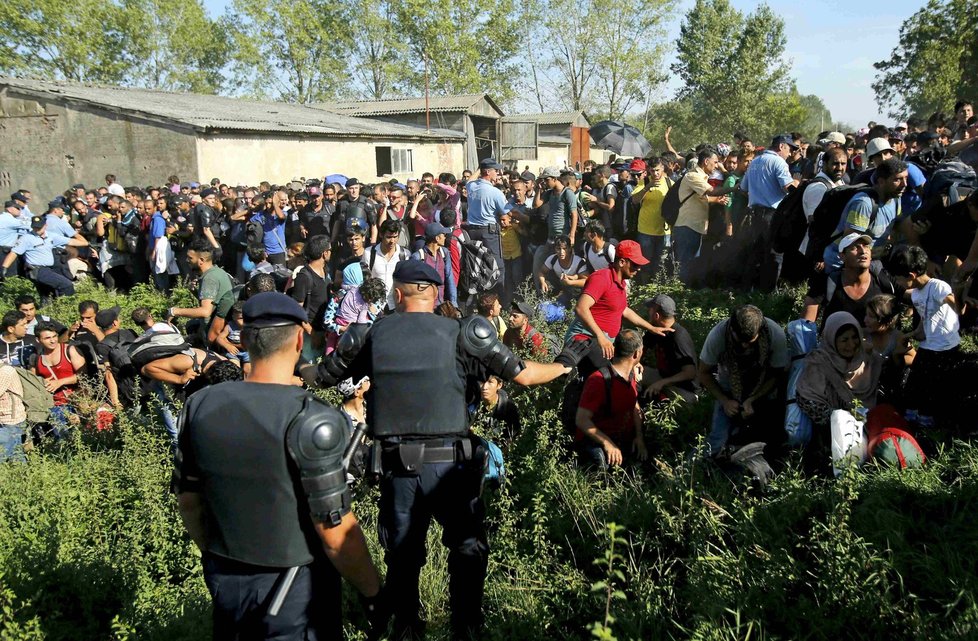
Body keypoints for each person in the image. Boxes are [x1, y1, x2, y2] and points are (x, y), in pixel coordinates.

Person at [304, 260, 588, 640]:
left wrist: (290, 361)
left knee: (402, 558)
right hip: (452, 467)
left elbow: (323, 376)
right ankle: (466, 630)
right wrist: (564, 364)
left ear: (398, 293)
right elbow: (524, 374)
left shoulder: (373, 334)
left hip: (397, 469)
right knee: (468, 551)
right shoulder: (465, 332)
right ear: (435, 293)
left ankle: (407, 628)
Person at [174, 292, 386, 640]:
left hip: (226, 579)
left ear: (243, 339)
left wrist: (218, 561)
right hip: (294, 592)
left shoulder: (198, 405)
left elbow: (189, 501)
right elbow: (334, 534)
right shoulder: (312, 418)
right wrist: (373, 592)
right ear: (299, 339)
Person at [795, 312, 884, 472]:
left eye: (854, 337)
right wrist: (840, 420)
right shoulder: (819, 362)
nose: (851, 345)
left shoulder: (869, 359)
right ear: (831, 340)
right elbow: (808, 399)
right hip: (829, 437)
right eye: (844, 340)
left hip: (871, 431)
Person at [697, 305, 789, 457]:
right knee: (717, 442)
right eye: (740, 341)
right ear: (731, 330)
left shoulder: (775, 334)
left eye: (751, 341)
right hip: (728, 387)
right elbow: (703, 373)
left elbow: (777, 374)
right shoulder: (717, 336)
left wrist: (752, 399)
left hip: (764, 386)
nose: (745, 346)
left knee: (770, 441)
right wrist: (725, 401)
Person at [887, 245, 960, 428]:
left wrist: (959, 299)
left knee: (932, 388)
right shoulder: (918, 295)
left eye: (899, 278)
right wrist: (911, 334)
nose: (899, 283)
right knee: (915, 383)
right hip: (928, 345)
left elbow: (953, 303)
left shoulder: (937, 286)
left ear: (911, 276)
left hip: (944, 348)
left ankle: (928, 423)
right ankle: (911, 419)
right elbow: (925, 321)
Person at [575, 328, 648, 469]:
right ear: (637, 354)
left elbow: (635, 406)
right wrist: (607, 443)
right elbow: (582, 419)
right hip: (597, 442)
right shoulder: (599, 380)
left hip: (621, 439)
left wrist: (639, 437)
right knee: (601, 463)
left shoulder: (630, 375)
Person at [822, 158, 908, 275]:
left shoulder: (896, 199)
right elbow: (851, 245)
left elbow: (898, 225)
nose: (904, 184)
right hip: (842, 266)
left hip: (868, 262)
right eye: (897, 180)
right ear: (881, 181)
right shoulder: (863, 204)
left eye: (906, 178)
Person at [738, 135, 800, 289]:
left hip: (755, 214)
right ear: (781, 146)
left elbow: (743, 188)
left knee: (756, 253)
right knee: (774, 254)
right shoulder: (778, 161)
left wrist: (759, 193)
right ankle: (768, 293)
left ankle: (747, 290)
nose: (790, 153)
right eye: (789, 149)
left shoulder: (754, 162)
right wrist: (797, 183)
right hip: (772, 215)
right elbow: (788, 188)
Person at [802, 233, 898, 327]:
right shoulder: (829, 281)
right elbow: (805, 325)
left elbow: (908, 294)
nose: (863, 251)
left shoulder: (882, 278)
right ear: (842, 256)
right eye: (854, 248)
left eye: (866, 246)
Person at [673, 149, 731, 284]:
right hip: (687, 226)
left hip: (696, 227)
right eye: (715, 162)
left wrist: (716, 201)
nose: (717, 165)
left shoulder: (702, 177)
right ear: (706, 161)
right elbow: (713, 191)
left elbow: (701, 199)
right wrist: (735, 186)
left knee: (692, 264)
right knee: (686, 265)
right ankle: (681, 294)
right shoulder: (693, 176)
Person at [170, 239, 235, 344]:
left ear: (201, 260)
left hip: (214, 334)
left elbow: (205, 312)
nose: (187, 260)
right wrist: (195, 292)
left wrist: (175, 311)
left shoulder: (209, 278)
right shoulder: (218, 271)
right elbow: (214, 302)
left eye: (190, 258)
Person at [640, 294, 698, 405]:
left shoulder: (678, 336)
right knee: (632, 372)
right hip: (663, 377)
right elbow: (639, 349)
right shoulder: (656, 330)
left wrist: (662, 383)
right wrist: (636, 363)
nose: (648, 312)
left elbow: (690, 373)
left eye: (650, 309)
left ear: (656, 315)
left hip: (685, 391)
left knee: (684, 405)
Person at [463, 158, 509, 296]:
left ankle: (478, 297)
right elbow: (507, 211)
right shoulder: (495, 192)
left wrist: (480, 168)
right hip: (489, 233)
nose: (498, 173)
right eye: (495, 171)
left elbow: (470, 180)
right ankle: (496, 299)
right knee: (496, 266)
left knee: (476, 265)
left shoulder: (472, 187)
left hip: (472, 232)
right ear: (488, 172)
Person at [33, 320, 86, 431]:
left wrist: (60, 382)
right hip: (54, 406)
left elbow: (83, 376)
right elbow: (33, 382)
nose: (53, 341)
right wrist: (42, 383)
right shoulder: (37, 358)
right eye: (47, 338)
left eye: (54, 336)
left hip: (77, 402)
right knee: (62, 438)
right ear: (38, 340)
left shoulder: (69, 350)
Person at [0, 363, 27, 462]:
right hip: (5, 420)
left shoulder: (5, 371)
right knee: (16, 455)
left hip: (10, 420)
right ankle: (24, 476)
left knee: (2, 454)